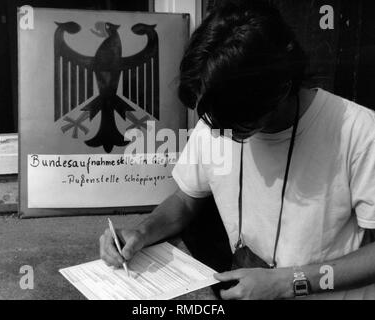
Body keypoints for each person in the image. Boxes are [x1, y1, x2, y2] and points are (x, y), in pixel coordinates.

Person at [99, 0, 375, 299]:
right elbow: (186, 199)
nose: (220, 132)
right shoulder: (217, 116)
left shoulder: (359, 131)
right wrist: (142, 232)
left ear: (280, 88)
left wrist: (289, 282)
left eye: (237, 125)